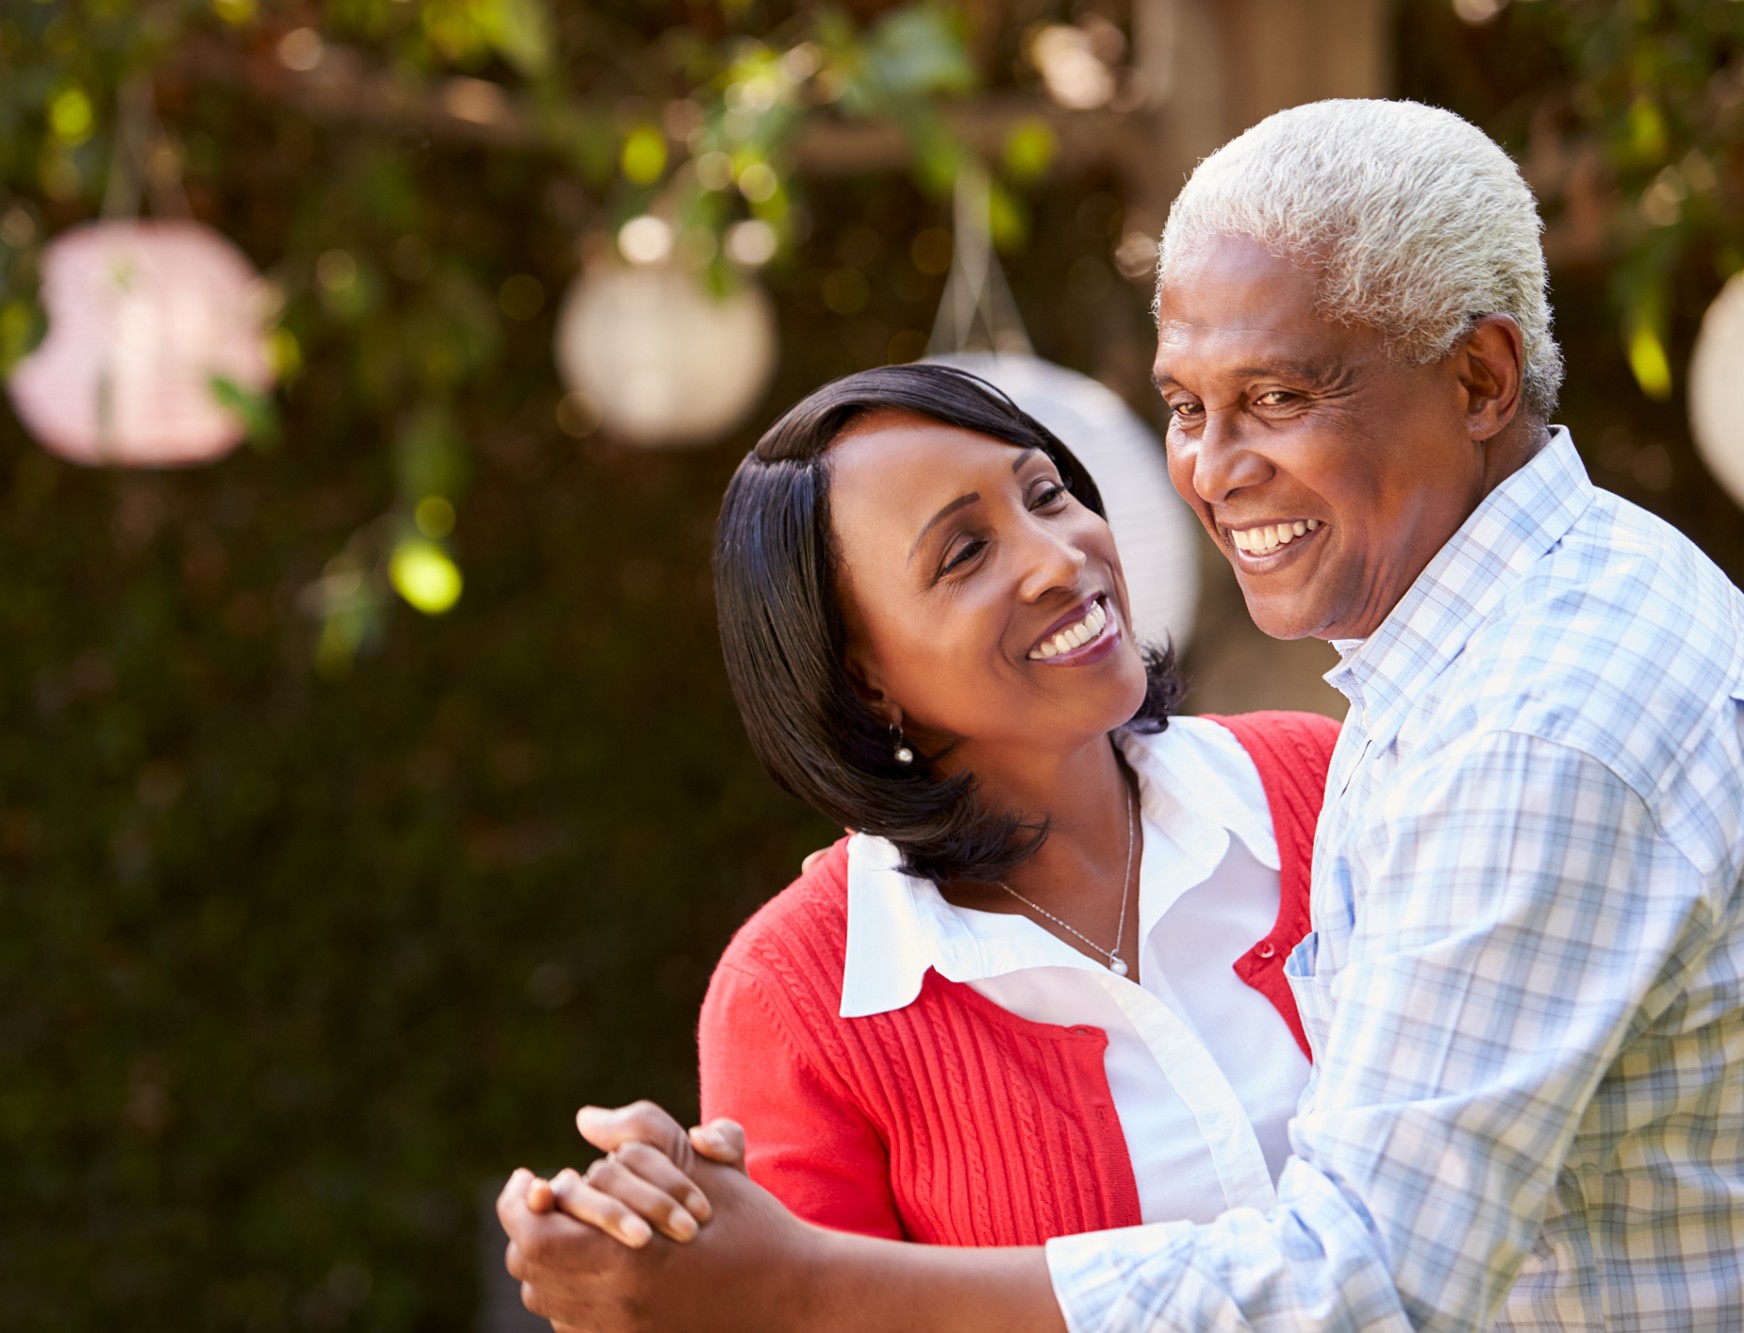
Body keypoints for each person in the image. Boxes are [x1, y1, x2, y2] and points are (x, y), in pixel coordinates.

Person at [499, 98, 1744, 1331]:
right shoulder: (803, 988)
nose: (1199, 471)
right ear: (857, 672)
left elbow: (1367, 1277)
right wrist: (672, 1258)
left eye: (1274, 397)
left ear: (1478, 378)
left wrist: (793, 1284)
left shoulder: (1474, 740)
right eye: (1189, 409)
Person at [685, 363, 1338, 1250]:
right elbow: (805, 1303)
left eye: (1046, 493)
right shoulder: (795, 1001)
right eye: (964, 552)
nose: (1057, 558)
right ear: (859, 678)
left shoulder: (1324, 781)